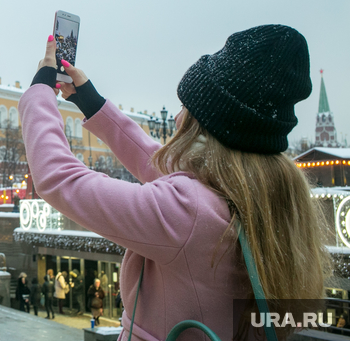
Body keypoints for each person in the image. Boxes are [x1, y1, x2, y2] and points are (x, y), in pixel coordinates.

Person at [20, 26, 330, 339]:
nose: (179, 119)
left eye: (186, 107)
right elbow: (158, 163)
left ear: (208, 123)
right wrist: (91, 102)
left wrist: (39, 93)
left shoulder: (188, 212)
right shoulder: (267, 192)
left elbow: (59, 179)